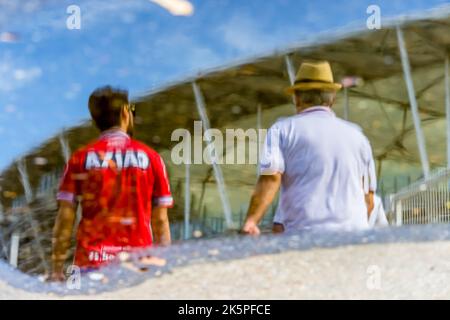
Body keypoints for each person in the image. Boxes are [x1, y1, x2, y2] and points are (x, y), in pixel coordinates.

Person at [49, 86, 173, 281]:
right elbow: (160, 221)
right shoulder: (152, 158)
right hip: (138, 266)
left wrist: (56, 269)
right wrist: (166, 266)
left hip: (88, 265)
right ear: (125, 112)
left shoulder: (79, 158)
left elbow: (65, 218)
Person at [242, 61, 376, 235]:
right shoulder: (359, 136)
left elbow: (271, 178)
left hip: (306, 237)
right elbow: (369, 199)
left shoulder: (282, 129)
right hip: (354, 236)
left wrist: (252, 221)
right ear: (333, 98)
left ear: (297, 98)